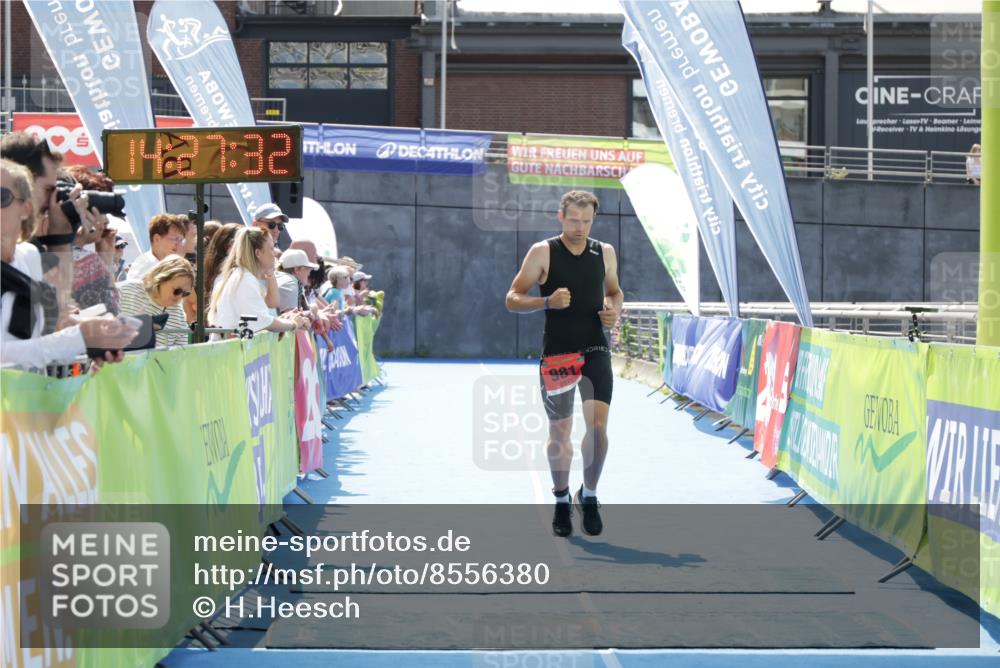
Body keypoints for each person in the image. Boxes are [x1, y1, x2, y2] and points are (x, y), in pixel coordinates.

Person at [505, 190, 623, 538]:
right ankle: (560, 499)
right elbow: (512, 298)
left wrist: (614, 310)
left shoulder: (605, 252)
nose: (580, 227)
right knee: (560, 432)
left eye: (587, 221)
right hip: (558, 352)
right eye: (573, 220)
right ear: (560, 216)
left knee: (598, 430)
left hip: (595, 349)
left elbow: (614, 291)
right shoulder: (543, 252)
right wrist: (545, 302)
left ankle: (589, 495)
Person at [1, 159, 136, 368]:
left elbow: (45, 337)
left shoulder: (29, 257)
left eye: (2, 197)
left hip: (26, 396)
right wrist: (80, 337)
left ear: (26, 207)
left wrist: (93, 345)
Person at [207, 227, 310, 335]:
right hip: (232, 349)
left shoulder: (241, 276)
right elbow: (265, 322)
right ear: (258, 253)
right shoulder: (245, 279)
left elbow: (271, 305)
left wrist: (270, 272)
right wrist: (293, 323)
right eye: (271, 248)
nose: (274, 253)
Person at [63, 165, 119, 314]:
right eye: (103, 210)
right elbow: (110, 316)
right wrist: (104, 262)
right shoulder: (86, 263)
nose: (106, 221)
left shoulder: (35, 249)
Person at [117, 255, 193, 348]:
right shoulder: (125, 291)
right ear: (160, 279)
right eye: (177, 291)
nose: (179, 297)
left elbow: (180, 355)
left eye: (185, 294)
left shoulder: (179, 315)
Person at [126, 213, 190, 281]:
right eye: (176, 239)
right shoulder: (145, 268)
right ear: (157, 239)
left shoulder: (164, 265)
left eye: (181, 240)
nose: (180, 244)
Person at [275, 248, 318, 313]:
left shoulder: (286, 280)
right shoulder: (290, 284)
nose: (309, 273)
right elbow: (293, 320)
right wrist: (313, 312)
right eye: (308, 268)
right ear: (296, 269)